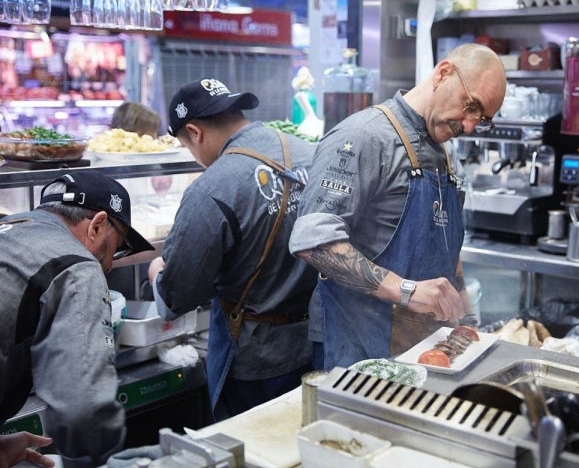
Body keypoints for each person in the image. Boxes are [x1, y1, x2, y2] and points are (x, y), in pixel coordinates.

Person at [289, 43, 507, 369]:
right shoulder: (364, 137)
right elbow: (313, 242)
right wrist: (406, 291)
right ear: (443, 73)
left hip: (427, 352)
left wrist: (467, 319)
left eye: (483, 119)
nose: (470, 125)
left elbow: (446, 248)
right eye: (471, 106)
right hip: (358, 350)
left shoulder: (447, 157)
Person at [147, 78, 317, 420]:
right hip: (316, 341)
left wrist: (156, 270)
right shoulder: (311, 153)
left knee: (248, 448)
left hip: (256, 357)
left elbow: (175, 299)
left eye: (188, 147)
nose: (194, 157)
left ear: (195, 132)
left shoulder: (212, 188)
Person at [0, 170, 155, 467]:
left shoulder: (10, 229)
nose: (110, 264)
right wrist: (94, 457)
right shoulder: (76, 265)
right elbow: (84, 409)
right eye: (117, 246)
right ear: (97, 225)